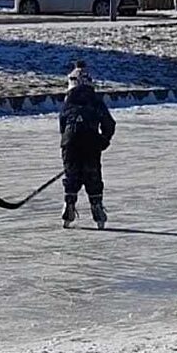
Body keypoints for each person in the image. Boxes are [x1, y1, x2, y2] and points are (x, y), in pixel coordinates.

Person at [59, 61, 116, 229]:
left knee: (72, 176)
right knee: (93, 176)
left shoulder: (68, 103)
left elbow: (62, 126)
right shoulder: (95, 101)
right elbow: (109, 124)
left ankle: (69, 204)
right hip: (90, 142)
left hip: (70, 143)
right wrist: (103, 140)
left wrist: (67, 144)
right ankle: (96, 207)